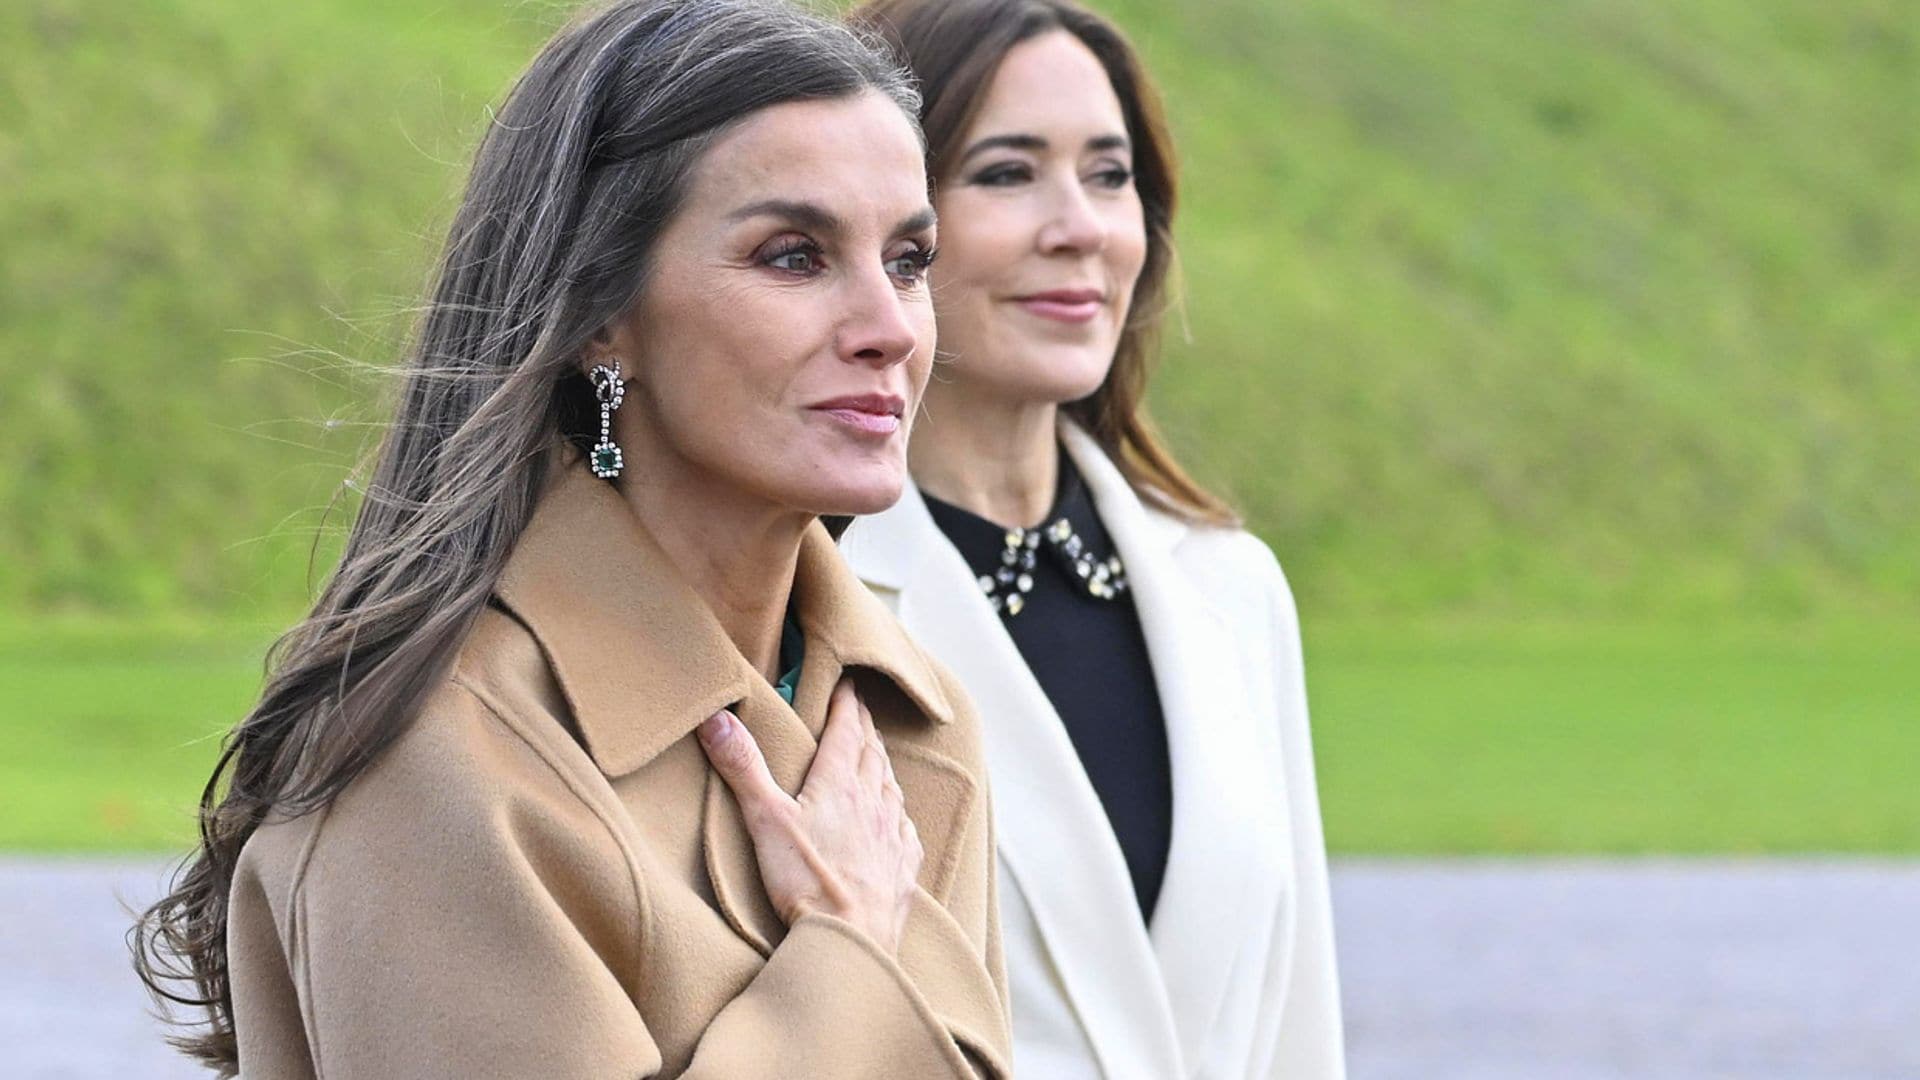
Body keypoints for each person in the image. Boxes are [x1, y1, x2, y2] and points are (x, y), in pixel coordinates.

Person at [130, 1, 1013, 1076]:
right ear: (604, 312)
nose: (890, 326)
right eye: (793, 255)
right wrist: (844, 956)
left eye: (910, 259)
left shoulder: (910, 719)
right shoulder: (434, 770)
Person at [840, 1, 1346, 1076]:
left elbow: (1300, 1027)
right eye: (1008, 173)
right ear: (889, 227)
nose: (1080, 226)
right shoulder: (800, 598)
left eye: (1109, 175)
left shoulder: (1232, 586)